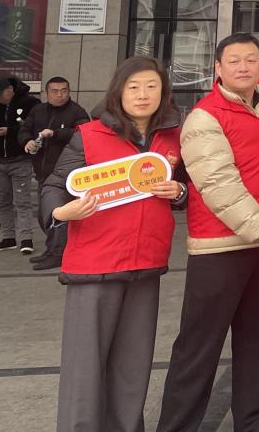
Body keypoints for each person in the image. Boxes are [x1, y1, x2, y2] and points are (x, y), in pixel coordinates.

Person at [41, 57, 186, 432]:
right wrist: (61, 212)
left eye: (152, 86)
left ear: (163, 93)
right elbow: (55, 185)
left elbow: (189, 188)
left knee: (133, 366)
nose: (143, 94)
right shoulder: (89, 135)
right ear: (118, 91)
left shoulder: (173, 137)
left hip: (146, 263)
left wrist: (179, 192)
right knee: (85, 368)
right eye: (133, 87)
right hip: (95, 265)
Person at [157, 33, 259, 432]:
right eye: (234, 61)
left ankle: (253, 422)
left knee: (258, 341)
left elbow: (255, 157)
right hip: (220, 248)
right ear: (217, 68)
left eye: (251, 60)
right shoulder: (205, 117)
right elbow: (217, 182)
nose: (243, 67)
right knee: (199, 347)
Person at [20, 76, 91, 269]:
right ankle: (52, 249)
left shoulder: (77, 112)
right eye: (55, 91)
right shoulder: (38, 110)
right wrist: (27, 140)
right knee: (44, 215)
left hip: (65, 175)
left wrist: (56, 133)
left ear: (69, 91)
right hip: (43, 172)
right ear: (46, 93)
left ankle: (58, 253)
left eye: (64, 90)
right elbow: (24, 129)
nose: (60, 95)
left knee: (58, 215)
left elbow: (85, 133)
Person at [0, 76, 40, 253]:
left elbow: (34, 128)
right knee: (3, 200)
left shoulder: (30, 103)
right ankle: (8, 237)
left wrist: (10, 131)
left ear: (9, 90)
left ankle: (26, 238)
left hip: (20, 159)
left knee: (22, 201)